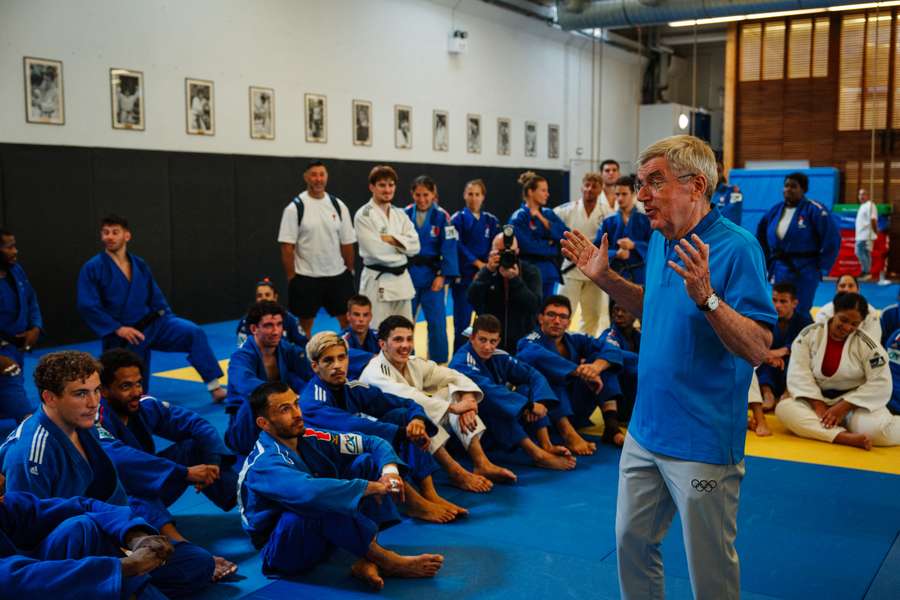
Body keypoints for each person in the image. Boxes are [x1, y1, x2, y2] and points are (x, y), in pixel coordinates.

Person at [561, 134, 776, 599]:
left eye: (654, 183)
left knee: (709, 568)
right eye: (640, 184)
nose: (641, 195)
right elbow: (653, 306)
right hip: (645, 431)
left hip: (702, 440)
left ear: (696, 185)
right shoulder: (661, 240)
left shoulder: (738, 249)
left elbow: (759, 347)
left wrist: (709, 299)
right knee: (631, 543)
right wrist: (605, 279)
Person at [0, 351, 217, 597]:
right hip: (62, 562)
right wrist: (119, 567)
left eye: (96, 390)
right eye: (81, 393)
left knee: (197, 562)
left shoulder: (86, 426)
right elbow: (26, 544)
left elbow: (111, 499)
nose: (94, 403)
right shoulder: (29, 455)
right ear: (50, 397)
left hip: (106, 538)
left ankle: (123, 585)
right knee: (79, 526)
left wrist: (135, 537)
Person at [237, 381, 444, 589]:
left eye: (296, 404)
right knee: (320, 499)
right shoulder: (264, 463)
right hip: (283, 548)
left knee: (366, 463)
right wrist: (373, 487)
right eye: (285, 409)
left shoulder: (309, 436)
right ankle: (388, 561)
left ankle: (366, 557)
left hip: (321, 534)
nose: (297, 413)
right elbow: (310, 493)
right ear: (263, 423)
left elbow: (372, 442)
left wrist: (389, 473)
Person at [95, 348, 239, 580]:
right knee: (133, 488)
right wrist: (184, 473)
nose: (136, 392)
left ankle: (252, 509)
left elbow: (197, 424)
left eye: (139, 383)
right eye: (126, 386)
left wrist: (212, 464)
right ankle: (184, 550)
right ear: (104, 390)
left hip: (151, 482)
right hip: (111, 503)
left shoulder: (144, 405)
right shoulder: (96, 417)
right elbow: (121, 460)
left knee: (196, 445)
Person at [300, 332, 466, 523]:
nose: (337, 365)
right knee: (369, 453)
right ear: (315, 366)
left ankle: (429, 492)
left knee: (404, 417)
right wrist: (403, 433)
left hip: (352, 447)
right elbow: (351, 426)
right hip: (330, 466)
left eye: (342, 357)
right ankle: (414, 504)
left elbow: (402, 402)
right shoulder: (312, 401)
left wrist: (417, 420)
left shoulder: (351, 388)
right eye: (328, 360)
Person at [76, 215, 226, 401]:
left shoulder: (138, 264)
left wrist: (168, 318)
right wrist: (118, 329)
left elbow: (155, 297)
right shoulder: (93, 268)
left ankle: (215, 387)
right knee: (134, 392)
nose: (109, 237)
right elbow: (87, 305)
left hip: (153, 324)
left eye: (115, 232)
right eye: (106, 232)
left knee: (192, 332)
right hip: (123, 335)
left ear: (127, 236)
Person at [359, 315, 516, 492]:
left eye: (409, 339)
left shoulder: (413, 363)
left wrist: (467, 400)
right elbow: (408, 398)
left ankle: (481, 462)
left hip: (413, 423)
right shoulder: (374, 372)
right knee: (418, 413)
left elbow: (451, 375)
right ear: (382, 344)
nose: (405, 345)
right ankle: (455, 472)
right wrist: (453, 408)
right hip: (385, 432)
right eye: (398, 340)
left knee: (452, 391)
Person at [0, 475, 173, 599]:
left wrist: (136, 536)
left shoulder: (5, 505)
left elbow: (84, 505)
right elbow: (14, 581)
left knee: (81, 528)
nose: (2, 479)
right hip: (20, 586)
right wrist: (124, 567)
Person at [449, 315, 576, 470]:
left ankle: (546, 445)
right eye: (483, 340)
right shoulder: (462, 361)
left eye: (493, 341)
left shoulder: (498, 356)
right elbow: (487, 390)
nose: (488, 347)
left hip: (497, 430)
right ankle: (537, 454)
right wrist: (527, 406)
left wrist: (539, 401)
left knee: (527, 389)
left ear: (499, 340)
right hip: (469, 432)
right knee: (492, 405)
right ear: (472, 338)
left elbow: (532, 374)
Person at [778, 291, 900, 448]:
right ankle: (842, 437)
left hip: (855, 404)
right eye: (843, 320)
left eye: (855, 324)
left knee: (879, 432)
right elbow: (799, 373)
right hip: (817, 399)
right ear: (834, 312)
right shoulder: (808, 335)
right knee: (784, 409)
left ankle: (829, 430)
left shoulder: (869, 345)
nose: (847, 327)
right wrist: (818, 406)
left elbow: (880, 382)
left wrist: (844, 406)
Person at [516, 295, 626, 451]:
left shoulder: (574, 339)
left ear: (568, 322)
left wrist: (596, 367)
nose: (556, 321)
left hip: (575, 407)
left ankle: (611, 427)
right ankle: (568, 434)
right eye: (551, 315)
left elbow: (611, 348)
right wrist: (579, 371)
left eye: (562, 317)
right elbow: (535, 355)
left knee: (602, 362)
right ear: (540, 318)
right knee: (549, 375)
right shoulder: (529, 340)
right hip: (546, 414)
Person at [224, 301, 313, 458]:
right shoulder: (240, 358)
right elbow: (246, 386)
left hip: (278, 418)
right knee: (255, 400)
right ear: (254, 329)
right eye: (268, 325)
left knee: (304, 385)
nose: (276, 331)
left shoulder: (286, 349)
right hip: (245, 427)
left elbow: (312, 370)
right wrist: (287, 397)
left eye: (279, 324)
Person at [278, 161, 356, 336]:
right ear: (306, 177)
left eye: (322, 174)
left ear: (326, 177)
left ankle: (349, 357)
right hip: (306, 277)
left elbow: (347, 242)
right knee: (304, 328)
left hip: (337, 275)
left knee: (348, 323)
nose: (318, 179)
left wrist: (349, 270)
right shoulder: (295, 208)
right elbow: (286, 246)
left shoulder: (338, 205)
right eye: (314, 175)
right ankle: (304, 361)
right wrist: (292, 277)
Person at [755, 171, 841, 316]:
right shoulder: (775, 211)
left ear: (803, 189)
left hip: (806, 269)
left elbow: (832, 239)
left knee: (801, 310)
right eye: (786, 186)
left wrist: (821, 267)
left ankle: (802, 337)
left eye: (793, 186)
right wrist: (767, 262)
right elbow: (761, 237)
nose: (788, 189)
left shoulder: (815, 210)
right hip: (780, 268)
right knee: (780, 308)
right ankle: (780, 337)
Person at [354, 165, 421, 325]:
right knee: (378, 331)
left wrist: (391, 239)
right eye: (382, 185)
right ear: (372, 187)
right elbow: (375, 251)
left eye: (391, 185)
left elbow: (416, 246)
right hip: (377, 282)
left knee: (404, 331)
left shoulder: (400, 214)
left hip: (402, 282)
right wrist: (402, 246)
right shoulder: (364, 215)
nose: (387, 189)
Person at [404, 176, 459, 363]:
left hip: (432, 277)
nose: (422, 199)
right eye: (418, 194)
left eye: (426, 194)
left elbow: (450, 247)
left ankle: (438, 361)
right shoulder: (404, 214)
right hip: (408, 275)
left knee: (436, 322)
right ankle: (405, 359)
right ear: (412, 194)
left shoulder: (443, 217)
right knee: (405, 321)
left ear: (433, 194)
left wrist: (443, 275)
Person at [748, 282, 812, 437]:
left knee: (794, 362)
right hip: (768, 362)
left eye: (783, 301)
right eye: (774, 300)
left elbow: (808, 345)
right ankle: (767, 394)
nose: (777, 306)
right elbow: (755, 341)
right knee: (762, 364)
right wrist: (769, 356)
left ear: (794, 303)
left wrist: (782, 352)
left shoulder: (804, 319)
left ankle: (786, 393)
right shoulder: (766, 317)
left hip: (790, 365)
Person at [554, 172, 614, 336]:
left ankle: (585, 346)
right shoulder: (568, 209)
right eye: (586, 185)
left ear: (601, 189)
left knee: (592, 316)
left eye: (594, 186)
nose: (589, 189)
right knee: (563, 311)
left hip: (594, 273)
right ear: (581, 187)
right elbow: (550, 220)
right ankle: (559, 343)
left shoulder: (607, 213)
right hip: (570, 269)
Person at [467, 230, 543, 354]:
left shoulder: (530, 272)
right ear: (491, 252)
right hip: (490, 341)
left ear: (517, 252)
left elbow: (534, 306)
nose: (505, 256)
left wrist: (515, 281)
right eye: (500, 252)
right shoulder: (487, 272)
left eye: (510, 252)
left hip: (522, 340)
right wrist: (487, 271)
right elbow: (472, 299)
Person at [450, 180, 501, 352]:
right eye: (470, 194)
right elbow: (457, 245)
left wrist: (487, 265)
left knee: (485, 322)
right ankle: (459, 358)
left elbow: (497, 245)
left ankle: (482, 357)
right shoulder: (457, 219)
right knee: (462, 323)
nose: (473, 198)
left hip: (486, 277)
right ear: (464, 195)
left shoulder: (491, 220)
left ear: (483, 197)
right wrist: (477, 263)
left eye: (477, 194)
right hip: (464, 277)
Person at [0, 229, 41, 431]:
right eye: (9, 247)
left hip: (17, 349)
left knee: (9, 396)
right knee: (26, 416)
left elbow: (31, 299)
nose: (15, 251)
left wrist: (35, 327)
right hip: (3, 354)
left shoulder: (16, 271)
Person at [508, 171, 569, 299]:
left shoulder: (548, 214)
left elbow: (565, 235)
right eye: (543, 190)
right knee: (531, 312)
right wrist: (551, 245)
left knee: (547, 312)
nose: (547, 194)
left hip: (549, 272)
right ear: (530, 192)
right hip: (528, 272)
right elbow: (527, 246)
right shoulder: (518, 217)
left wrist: (544, 221)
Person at [595, 175, 652, 285]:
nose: (620, 198)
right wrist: (616, 253)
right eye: (617, 194)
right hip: (615, 273)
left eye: (624, 194)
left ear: (634, 194)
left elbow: (655, 246)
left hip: (640, 273)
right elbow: (597, 248)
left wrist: (634, 245)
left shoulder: (646, 220)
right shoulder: (608, 221)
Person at [235, 277, 307, 347]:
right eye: (259, 296)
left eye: (267, 295)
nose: (264, 299)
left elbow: (303, 344)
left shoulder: (289, 319)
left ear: (275, 297)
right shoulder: (246, 321)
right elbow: (242, 348)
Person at [600, 300, 640, 422]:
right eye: (616, 310)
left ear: (635, 314)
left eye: (625, 310)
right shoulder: (609, 335)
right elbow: (613, 353)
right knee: (610, 366)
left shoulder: (640, 336)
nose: (619, 314)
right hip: (620, 402)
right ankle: (611, 424)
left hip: (638, 402)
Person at [813, 274, 881, 341]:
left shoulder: (870, 313)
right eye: (842, 286)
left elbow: (873, 341)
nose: (846, 289)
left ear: (858, 290)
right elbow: (818, 339)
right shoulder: (824, 312)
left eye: (851, 286)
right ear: (836, 290)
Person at [855, 188, 878, 279]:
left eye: (863, 194)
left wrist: (875, 231)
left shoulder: (870, 205)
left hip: (866, 235)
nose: (861, 196)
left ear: (867, 195)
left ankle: (866, 271)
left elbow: (873, 219)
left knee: (859, 252)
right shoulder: (862, 206)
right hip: (861, 234)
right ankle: (867, 272)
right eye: (860, 194)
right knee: (865, 253)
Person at [711, 160, 743, 225]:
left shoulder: (735, 192)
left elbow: (732, 213)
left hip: (728, 230)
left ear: (722, 172)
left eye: (718, 171)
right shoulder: (705, 192)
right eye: (713, 172)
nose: (716, 174)